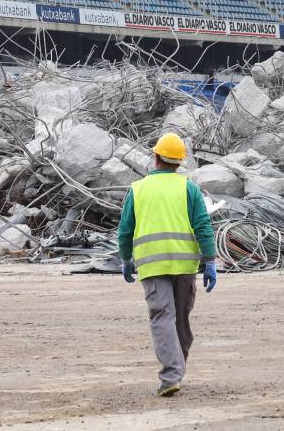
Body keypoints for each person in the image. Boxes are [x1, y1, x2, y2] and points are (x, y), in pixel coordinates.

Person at [118, 132, 218, 396]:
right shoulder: (189, 188)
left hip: (152, 265)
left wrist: (126, 259)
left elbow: (125, 230)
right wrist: (210, 261)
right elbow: (203, 226)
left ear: (155, 156)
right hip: (184, 265)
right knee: (180, 321)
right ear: (179, 162)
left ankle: (172, 375)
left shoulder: (138, 189)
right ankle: (174, 373)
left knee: (164, 317)